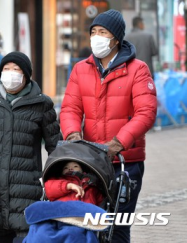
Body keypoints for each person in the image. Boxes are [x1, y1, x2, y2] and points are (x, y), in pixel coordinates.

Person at [59, 9, 157, 243]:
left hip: (126, 163)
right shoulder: (81, 69)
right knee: (90, 225)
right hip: (90, 162)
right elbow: (70, 108)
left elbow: (146, 112)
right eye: (93, 32)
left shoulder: (138, 69)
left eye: (103, 32)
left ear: (116, 38)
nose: (97, 37)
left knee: (119, 227)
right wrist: (73, 135)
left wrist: (119, 143)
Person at [0, 51, 61, 243]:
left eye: (16, 69)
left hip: (26, 180)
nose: (10, 74)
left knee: (25, 231)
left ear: (25, 74)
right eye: (6, 69)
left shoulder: (41, 104)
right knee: (1, 230)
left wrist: (59, 175)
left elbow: (55, 144)